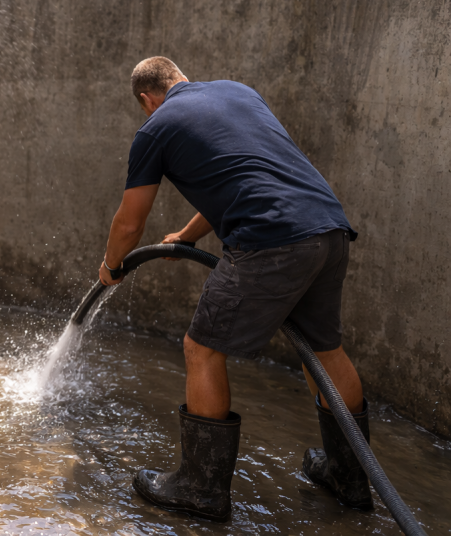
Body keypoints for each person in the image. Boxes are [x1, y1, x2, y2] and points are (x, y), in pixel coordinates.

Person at [98, 57, 369, 521]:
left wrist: (111, 265)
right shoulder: (238, 93)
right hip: (327, 229)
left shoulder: (156, 128)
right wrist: (187, 236)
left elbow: (130, 222)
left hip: (270, 241)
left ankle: (200, 489)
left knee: (201, 349)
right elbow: (248, 175)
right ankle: (349, 476)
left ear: (147, 99)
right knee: (325, 350)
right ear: (181, 77)